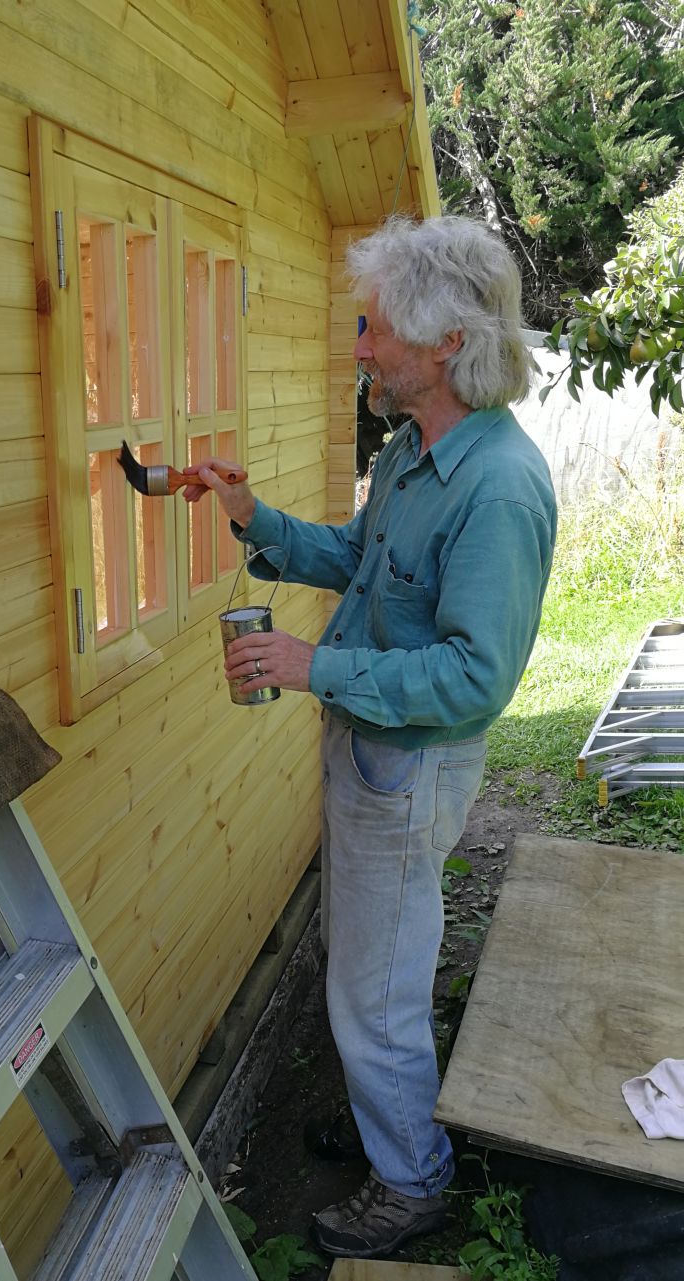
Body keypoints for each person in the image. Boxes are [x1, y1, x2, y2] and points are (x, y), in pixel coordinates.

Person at [183, 215, 557, 1260]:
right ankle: (386, 1099)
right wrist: (255, 516)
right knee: (371, 962)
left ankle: (413, 1181)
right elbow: (356, 558)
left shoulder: (499, 487)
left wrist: (315, 668)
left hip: (412, 763)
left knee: (373, 983)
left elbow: (477, 675)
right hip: (369, 750)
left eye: (372, 328)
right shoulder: (413, 452)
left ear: (443, 345)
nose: (358, 347)